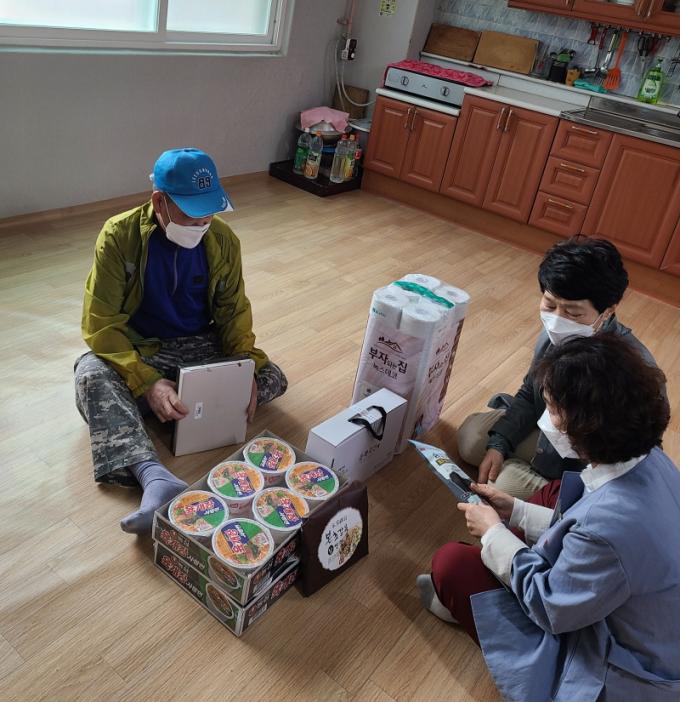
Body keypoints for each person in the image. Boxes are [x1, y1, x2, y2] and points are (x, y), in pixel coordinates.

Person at [417, 333, 679, 701]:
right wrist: (517, 510)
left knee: (451, 564)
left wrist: (492, 533)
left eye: (554, 409)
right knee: (552, 494)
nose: (547, 420)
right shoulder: (653, 459)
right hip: (644, 619)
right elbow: (586, 531)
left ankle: (474, 610)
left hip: (620, 667)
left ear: (589, 423)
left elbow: (551, 606)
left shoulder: (606, 528)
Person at [74, 148, 287, 534]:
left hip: (199, 345)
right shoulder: (119, 236)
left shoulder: (222, 240)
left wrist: (243, 367)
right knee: (90, 372)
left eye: (210, 212)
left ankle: (152, 408)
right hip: (143, 348)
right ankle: (154, 475)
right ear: (160, 201)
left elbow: (234, 313)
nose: (203, 222)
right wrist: (146, 381)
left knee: (271, 374)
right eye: (192, 213)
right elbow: (100, 324)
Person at [456, 236, 659, 499]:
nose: (556, 320)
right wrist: (499, 443)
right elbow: (530, 392)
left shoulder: (631, 368)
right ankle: (521, 469)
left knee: (503, 486)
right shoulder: (553, 335)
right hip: (548, 432)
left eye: (573, 313)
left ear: (608, 311)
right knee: (471, 440)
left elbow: (623, 459)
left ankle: (544, 487)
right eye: (550, 304)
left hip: (585, 461)